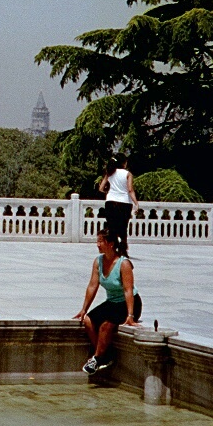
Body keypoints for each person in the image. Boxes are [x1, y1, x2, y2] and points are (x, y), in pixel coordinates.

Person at [74, 229, 140, 374]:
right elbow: (92, 286)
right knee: (88, 320)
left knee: (106, 325)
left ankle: (97, 358)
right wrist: (84, 309)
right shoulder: (98, 261)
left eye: (100, 241)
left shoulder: (124, 264)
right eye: (97, 241)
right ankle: (106, 354)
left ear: (110, 244)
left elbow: (128, 290)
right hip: (112, 302)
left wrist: (130, 315)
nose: (97, 244)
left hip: (128, 303)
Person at [99, 156, 138, 255]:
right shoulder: (128, 174)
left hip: (110, 202)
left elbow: (101, 188)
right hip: (124, 202)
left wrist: (109, 192)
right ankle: (123, 249)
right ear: (124, 163)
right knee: (123, 227)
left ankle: (113, 248)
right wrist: (136, 203)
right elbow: (130, 190)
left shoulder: (110, 173)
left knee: (112, 227)